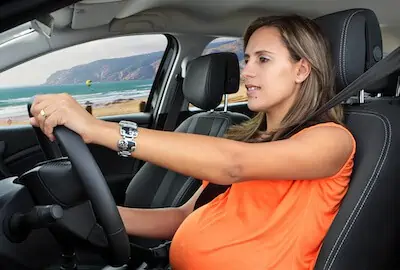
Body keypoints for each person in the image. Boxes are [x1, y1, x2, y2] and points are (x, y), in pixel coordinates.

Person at [29, 14, 355, 270]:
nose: (247, 72)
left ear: (301, 69)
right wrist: (100, 215)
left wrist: (99, 130)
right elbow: (184, 216)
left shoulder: (331, 140)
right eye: (247, 58)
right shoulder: (250, 141)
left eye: (263, 60)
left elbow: (233, 164)